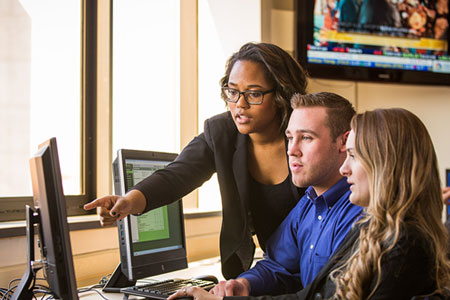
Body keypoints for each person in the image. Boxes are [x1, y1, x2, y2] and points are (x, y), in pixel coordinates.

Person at [170, 108, 450, 300]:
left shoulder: (403, 246)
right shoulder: (374, 231)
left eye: (353, 155)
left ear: (385, 164)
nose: (344, 169)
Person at [83, 42, 308, 279]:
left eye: (253, 94)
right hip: (276, 270)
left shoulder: (308, 135)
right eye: (232, 92)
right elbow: (177, 175)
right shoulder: (222, 133)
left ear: (281, 95)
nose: (239, 104)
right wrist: (129, 201)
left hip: (320, 265)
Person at [184, 92, 362, 297]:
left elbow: (324, 295)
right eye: (289, 138)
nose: (292, 150)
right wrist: (244, 284)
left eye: (306, 137)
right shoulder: (309, 203)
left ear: (344, 142)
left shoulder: (359, 211)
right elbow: (277, 265)